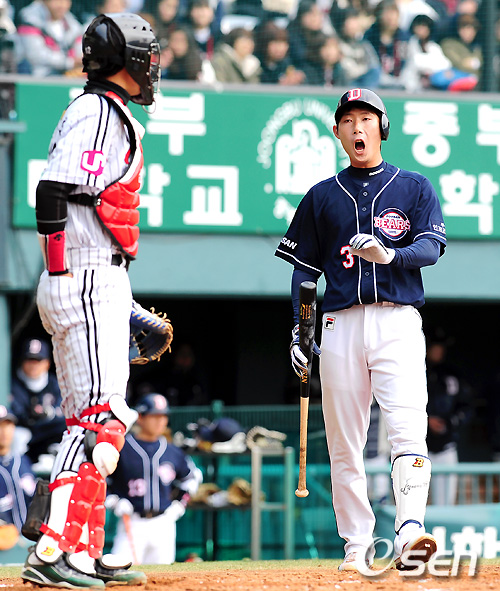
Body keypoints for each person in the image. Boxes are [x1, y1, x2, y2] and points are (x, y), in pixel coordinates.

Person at [275, 88, 447, 573]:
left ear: (382, 127)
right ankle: (357, 546)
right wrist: (300, 330)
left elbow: (431, 247)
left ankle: (410, 530)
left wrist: (391, 254)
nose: (357, 127)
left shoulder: (413, 186)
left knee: (408, 427)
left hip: (397, 318)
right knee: (344, 442)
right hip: (340, 322)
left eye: (366, 118)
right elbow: (304, 271)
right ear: (337, 132)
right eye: (348, 120)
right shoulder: (322, 194)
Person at [20, 12, 161, 589]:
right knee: (102, 420)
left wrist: (124, 307)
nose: (152, 66)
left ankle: (84, 550)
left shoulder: (107, 111)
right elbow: (53, 191)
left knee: (95, 420)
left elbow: (91, 216)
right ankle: (51, 546)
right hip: (82, 276)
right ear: (127, 61)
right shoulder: (97, 111)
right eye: (147, 56)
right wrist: (64, 274)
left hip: (95, 276)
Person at [107, 393, 202, 564]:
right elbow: (103, 481)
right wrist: (114, 501)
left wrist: (180, 504)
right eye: (154, 416)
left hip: (163, 522)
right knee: (121, 569)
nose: (160, 421)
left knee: (162, 573)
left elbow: (192, 479)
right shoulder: (122, 447)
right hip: (132, 520)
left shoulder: (173, 451)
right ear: (141, 417)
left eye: (163, 416)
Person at [425, 327, 473, 505]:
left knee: (446, 503)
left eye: (441, 347)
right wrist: (426, 420)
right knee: (413, 501)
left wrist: (449, 423)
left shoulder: (452, 375)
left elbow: (467, 407)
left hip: (446, 446)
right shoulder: (415, 371)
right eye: (435, 346)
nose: (438, 350)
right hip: (420, 446)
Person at [10, 338, 66, 467]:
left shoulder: (55, 384)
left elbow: (62, 413)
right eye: (30, 360)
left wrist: (48, 414)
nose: (33, 365)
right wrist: (30, 416)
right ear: (22, 361)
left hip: (48, 434)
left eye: (38, 360)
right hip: (26, 435)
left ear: (47, 363)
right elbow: (16, 414)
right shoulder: (14, 384)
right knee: (18, 436)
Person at [16, 0, 83, 76]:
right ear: (45, 1)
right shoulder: (29, 19)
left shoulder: (71, 22)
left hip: (64, 77)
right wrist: (69, 63)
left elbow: (79, 49)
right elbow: (36, 56)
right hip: (34, 77)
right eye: (57, 1)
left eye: (66, 1)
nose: (62, 5)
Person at [0, 405, 36, 534]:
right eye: (0, 426)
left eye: (7, 425)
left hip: (30, 538)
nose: (4, 431)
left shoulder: (23, 461)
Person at [363, 0, 410, 89]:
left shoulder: (405, 38)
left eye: (394, 13)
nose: (391, 18)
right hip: (377, 86)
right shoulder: (370, 37)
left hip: (403, 86)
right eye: (388, 13)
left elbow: (409, 65)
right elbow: (372, 67)